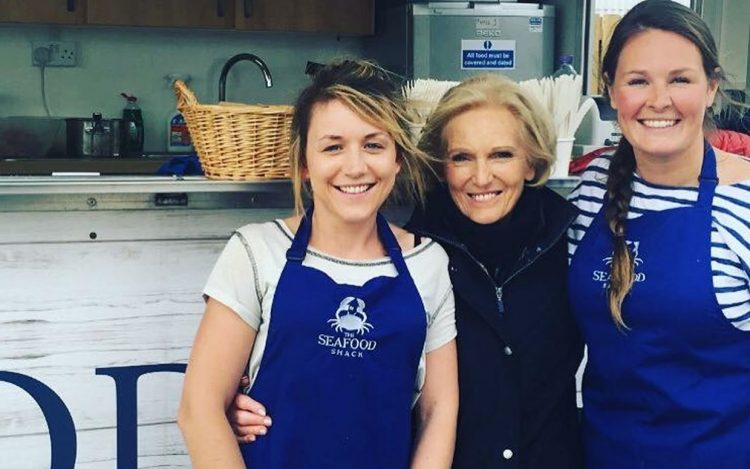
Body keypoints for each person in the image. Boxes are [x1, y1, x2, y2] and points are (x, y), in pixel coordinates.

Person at [230, 73, 585, 468]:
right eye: (461, 157)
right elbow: (354, 374)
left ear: (532, 161)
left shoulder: (572, 242)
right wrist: (246, 400)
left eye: (501, 154)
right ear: (438, 166)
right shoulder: (419, 254)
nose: (481, 177)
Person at [177, 59, 459, 469]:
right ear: (305, 164)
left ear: (397, 159)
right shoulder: (256, 250)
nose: (355, 166)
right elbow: (198, 411)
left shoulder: (427, 263)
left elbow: (439, 413)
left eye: (374, 145)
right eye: (333, 146)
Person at [567, 1, 750, 467]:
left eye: (680, 79)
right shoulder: (589, 191)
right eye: (637, 80)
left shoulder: (744, 201)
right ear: (610, 90)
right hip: (603, 454)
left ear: (711, 88)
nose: (658, 99)